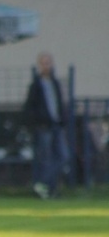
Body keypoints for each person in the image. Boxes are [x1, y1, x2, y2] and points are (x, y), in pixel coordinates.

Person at [23, 51, 69, 199]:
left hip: (56, 125)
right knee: (45, 158)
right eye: (43, 63)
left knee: (63, 156)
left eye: (48, 62)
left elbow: (59, 104)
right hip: (44, 127)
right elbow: (29, 108)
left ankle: (43, 183)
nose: (46, 65)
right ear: (39, 65)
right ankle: (48, 189)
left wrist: (62, 119)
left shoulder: (55, 83)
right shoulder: (35, 86)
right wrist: (38, 122)